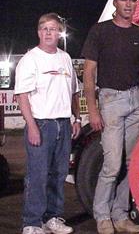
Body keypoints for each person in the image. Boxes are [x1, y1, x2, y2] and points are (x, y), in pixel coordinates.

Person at [81, 0, 139, 234]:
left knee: (132, 163)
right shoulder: (100, 30)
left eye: (132, 0)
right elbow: (89, 74)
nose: (128, 4)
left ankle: (120, 215)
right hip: (110, 100)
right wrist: (92, 110)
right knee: (112, 165)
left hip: (137, 101)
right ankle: (102, 216)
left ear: (136, 4)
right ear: (115, 3)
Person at [15, 13, 81, 234]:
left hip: (63, 124)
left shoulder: (65, 58)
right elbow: (23, 96)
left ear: (59, 32)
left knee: (59, 174)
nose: (49, 32)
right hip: (42, 125)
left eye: (53, 29)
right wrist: (32, 126)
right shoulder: (30, 60)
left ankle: (52, 218)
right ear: (38, 32)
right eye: (44, 28)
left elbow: (73, 92)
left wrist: (77, 118)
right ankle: (31, 223)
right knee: (38, 175)